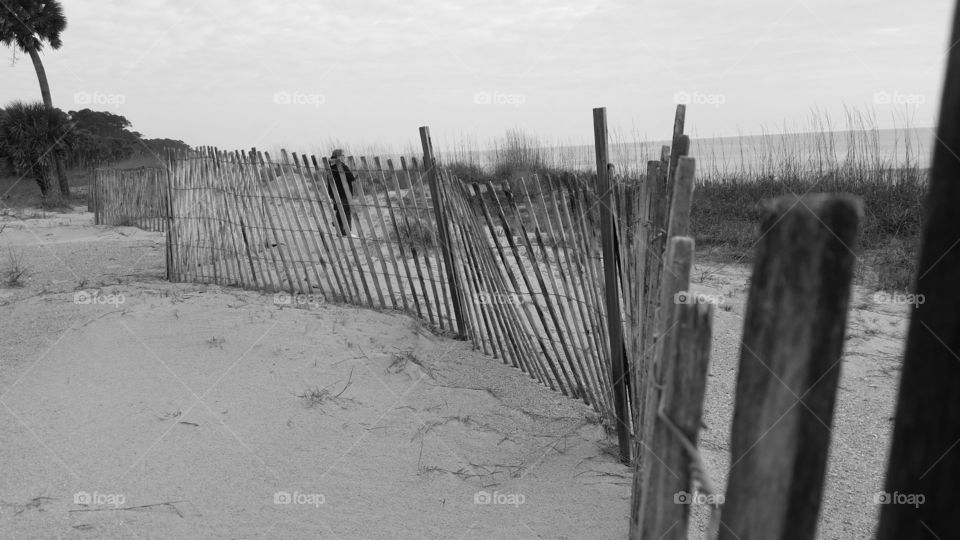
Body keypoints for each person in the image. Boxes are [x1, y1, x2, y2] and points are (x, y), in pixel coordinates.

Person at [327, 149, 356, 237]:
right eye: (343, 155)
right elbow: (352, 177)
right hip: (344, 193)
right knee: (345, 211)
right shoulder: (341, 166)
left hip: (334, 193)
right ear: (339, 156)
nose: (344, 157)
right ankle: (347, 232)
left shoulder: (329, 166)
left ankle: (339, 230)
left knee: (340, 210)